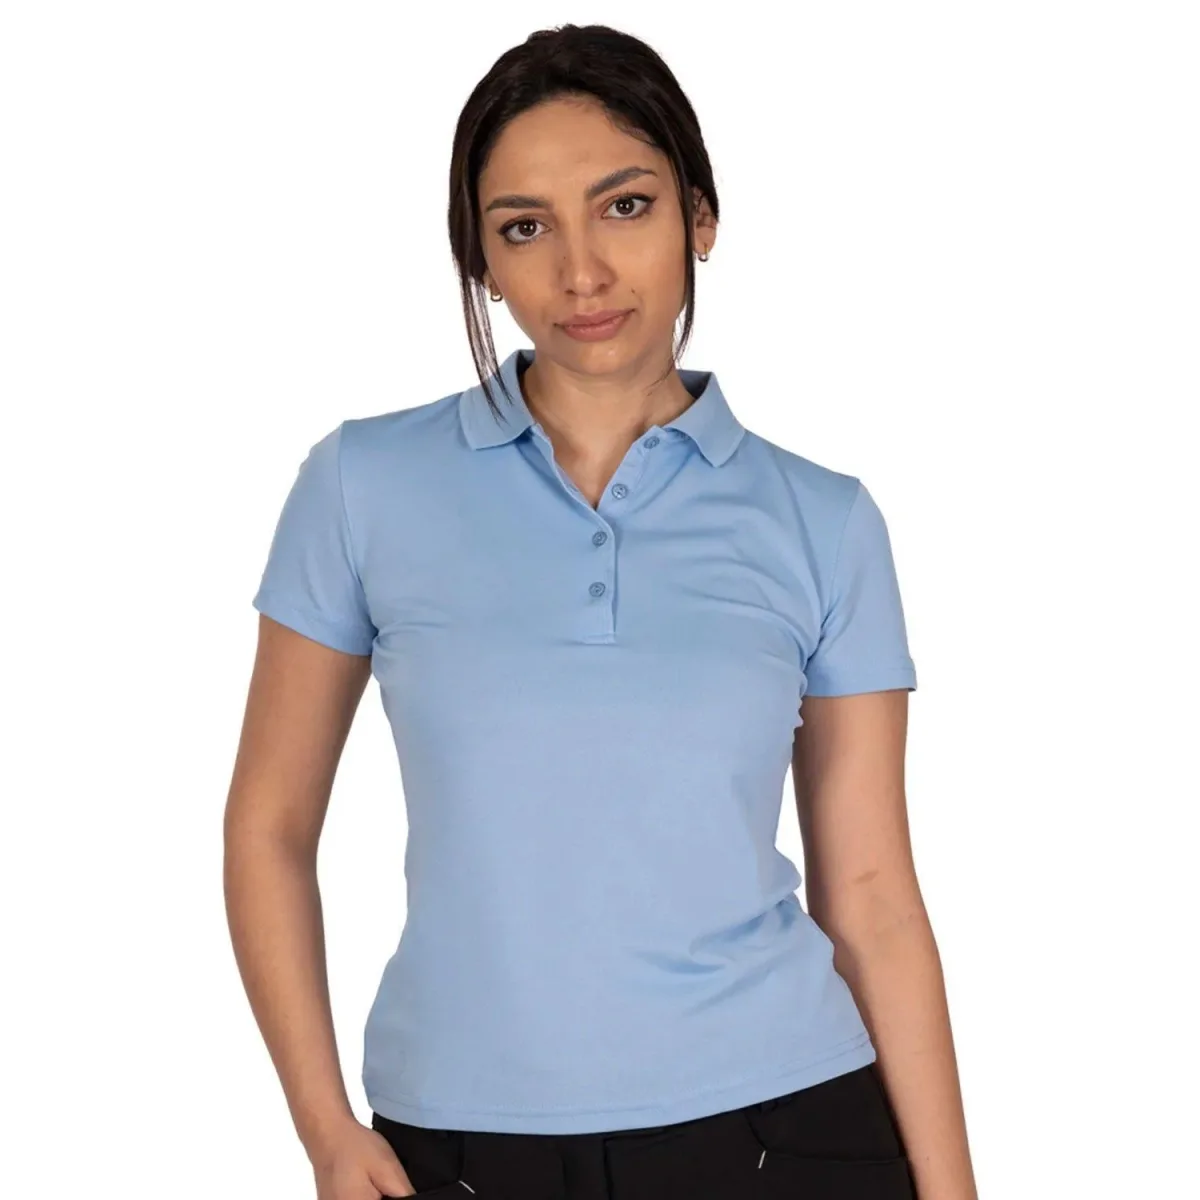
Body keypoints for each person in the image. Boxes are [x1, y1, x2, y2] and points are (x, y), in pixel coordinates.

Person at [224, 22, 978, 1200]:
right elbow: (269, 828)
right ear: (482, 259)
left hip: (785, 1128)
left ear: (700, 218)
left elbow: (873, 895)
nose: (581, 273)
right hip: (454, 1143)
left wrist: (954, 1188)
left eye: (624, 207)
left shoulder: (823, 520)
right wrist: (325, 1129)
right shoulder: (361, 486)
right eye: (525, 227)